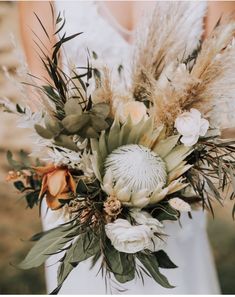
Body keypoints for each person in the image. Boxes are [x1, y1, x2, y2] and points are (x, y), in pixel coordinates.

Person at [17, 1, 235, 294]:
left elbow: (224, 86)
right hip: (80, 193)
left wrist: (173, 160)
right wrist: (90, 181)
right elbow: (39, 88)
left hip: (174, 188)